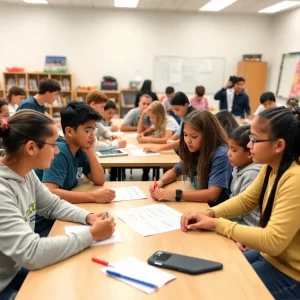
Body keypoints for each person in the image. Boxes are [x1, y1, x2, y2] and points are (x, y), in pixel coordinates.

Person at [180, 107, 300, 300]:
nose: (249, 145)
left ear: (278, 145)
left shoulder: (295, 178)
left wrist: (217, 224)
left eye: (254, 139)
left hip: (290, 273)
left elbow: (273, 241)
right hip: (270, 257)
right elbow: (246, 200)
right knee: (216, 270)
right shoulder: (272, 167)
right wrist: (210, 214)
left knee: (225, 289)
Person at [0, 110, 115, 300]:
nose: (57, 150)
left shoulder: (25, 173)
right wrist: (92, 234)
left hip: (13, 271)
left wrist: (88, 217)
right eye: (53, 144)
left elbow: (52, 205)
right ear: (31, 148)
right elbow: (32, 252)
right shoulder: (3, 191)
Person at [35, 102, 116, 235]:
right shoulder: (59, 152)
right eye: (87, 130)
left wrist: (90, 152)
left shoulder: (79, 149)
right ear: (69, 131)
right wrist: (93, 196)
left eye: (93, 130)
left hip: (63, 213)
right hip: (46, 224)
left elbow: (99, 179)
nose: (92, 135)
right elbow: (50, 192)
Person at [149, 110, 232, 206]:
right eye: (185, 135)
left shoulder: (221, 154)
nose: (188, 141)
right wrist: (161, 181)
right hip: (199, 204)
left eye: (194, 136)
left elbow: (212, 195)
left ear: (208, 136)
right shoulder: (194, 149)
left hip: (215, 209)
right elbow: (176, 171)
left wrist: (175, 194)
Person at [227, 125, 262, 252]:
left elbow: (249, 217)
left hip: (247, 233)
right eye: (229, 148)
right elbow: (235, 200)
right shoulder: (238, 167)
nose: (228, 154)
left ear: (250, 153)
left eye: (234, 150)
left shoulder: (253, 173)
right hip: (237, 227)